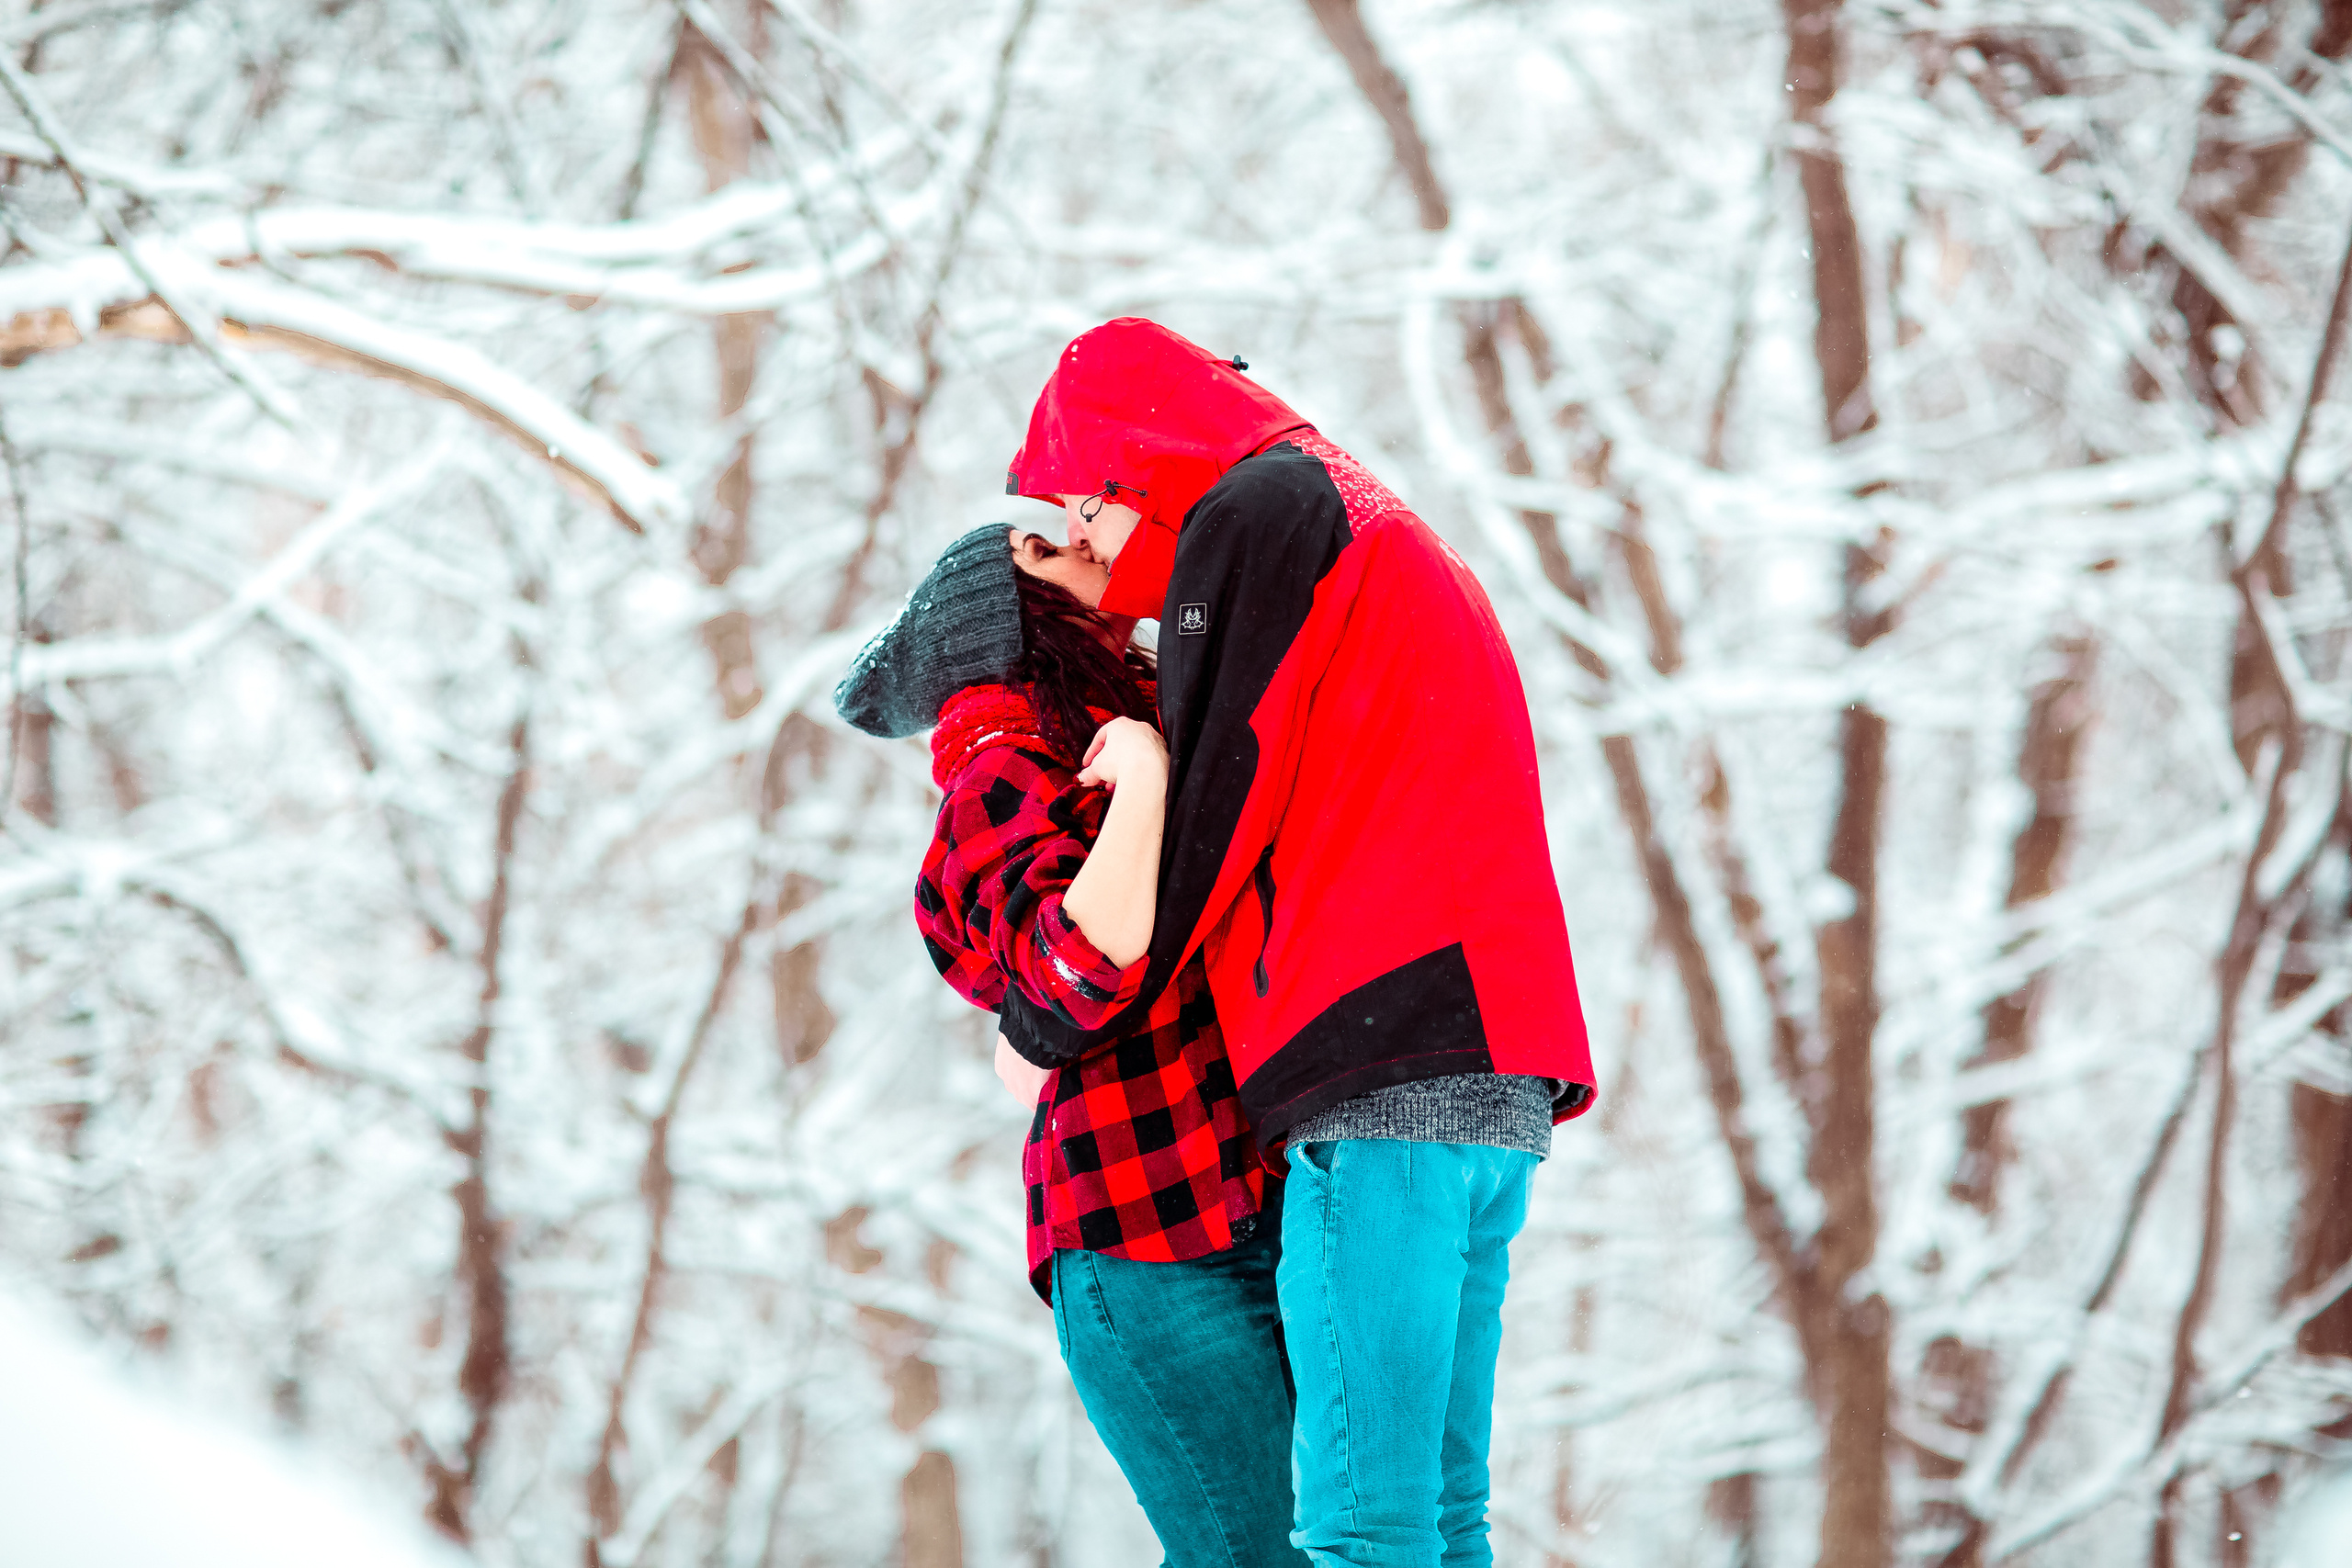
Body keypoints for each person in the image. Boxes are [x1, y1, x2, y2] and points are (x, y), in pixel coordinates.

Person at [1003, 319, 1597, 1568]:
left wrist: (1054, 1009)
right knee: (1439, 1519)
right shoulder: (1366, 521)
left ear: (1131, 459)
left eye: (1082, 507)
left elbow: (1219, 797)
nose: (1087, 546)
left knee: (1359, 1527)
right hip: (1490, 1072)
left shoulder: (1258, 511)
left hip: (1378, 1070)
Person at [833, 524, 1306, 1568]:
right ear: (1014, 619)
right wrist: (1144, 785)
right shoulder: (999, 770)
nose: (1087, 545)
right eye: (1047, 551)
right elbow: (1073, 974)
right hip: (1147, 1242)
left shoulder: (1139, 719)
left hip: (1253, 1199)